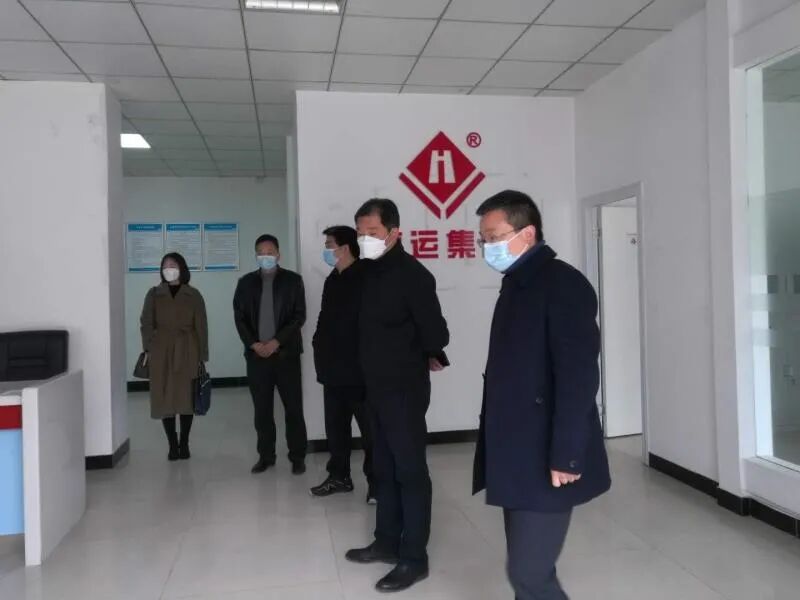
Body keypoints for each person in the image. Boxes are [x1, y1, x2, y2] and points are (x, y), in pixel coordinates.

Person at [472, 190, 611, 600]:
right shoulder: (517, 283)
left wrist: (567, 453)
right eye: (483, 239)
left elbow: (578, 377)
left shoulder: (564, 284)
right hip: (516, 447)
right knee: (525, 564)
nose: (487, 247)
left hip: (547, 450)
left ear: (527, 233)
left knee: (529, 573)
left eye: (494, 237)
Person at [345, 199, 449, 593]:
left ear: (394, 232)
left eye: (372, 232)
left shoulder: (414, 276)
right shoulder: (366, 273)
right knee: (383, 468)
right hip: (373, 389)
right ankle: (386, 542)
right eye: (360, 233)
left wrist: (428, 352)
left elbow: (436, 333)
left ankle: (414, 557)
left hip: (403, 391)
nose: (364, 239)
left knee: (409, 471)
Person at [233, 234, 308, 475]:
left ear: (278, 254)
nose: (265, 256)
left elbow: (299, 316)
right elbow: (239, 318)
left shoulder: (293, 281)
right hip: (257, 357)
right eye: (261, 252)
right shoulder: (245, 283)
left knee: (293, 409)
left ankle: (297, 456)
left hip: (286, 355)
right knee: (262, 411)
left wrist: (276, 341)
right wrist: (254, 344)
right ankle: (266, 456)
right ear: (256, 255)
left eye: (269, 252)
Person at [310, 226, 374, 503]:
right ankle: (339, 477)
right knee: (336, 429)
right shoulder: (332, 279)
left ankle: (377, 484)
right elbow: (325, 317)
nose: (326, 250)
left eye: (329, 245)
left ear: (345, 247)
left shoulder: (366, 276)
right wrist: (318, 343)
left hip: (359, 371)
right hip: (332, 369)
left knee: (371, 432)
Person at [140, 252, 208, 461]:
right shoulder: (154, 294)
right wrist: (150, 347)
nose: (169, 269)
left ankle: (184, 442)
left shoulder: (193, 294)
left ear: (182, 268)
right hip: (161, 350)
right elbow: (146, 322)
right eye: (165, 266)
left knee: (187, 397)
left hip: (187, 348)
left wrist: (202, 355)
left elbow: (201, 325)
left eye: (173, 265)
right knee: (164, 398)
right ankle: (172, 444)